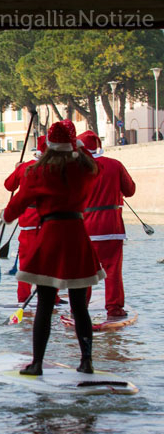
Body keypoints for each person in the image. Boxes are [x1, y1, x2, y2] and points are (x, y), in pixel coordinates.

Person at [1, 120, 104, 375]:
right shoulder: (86, 168)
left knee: (45, 304)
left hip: (50, 234)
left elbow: (20, 201)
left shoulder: (37, 172)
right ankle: (87, 361)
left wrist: (7, 214)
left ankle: (37, 363)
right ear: (73, 144)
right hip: (77, 233)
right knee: (79, 305)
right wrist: (77, 147)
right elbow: (90, 159)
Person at [78, 130, 136, 318]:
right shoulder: (115, 165)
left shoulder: (75, 168)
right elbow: (130, 190)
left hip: (84, 228)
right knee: (112, 271)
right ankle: (114, 309)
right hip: (112, 228)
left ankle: (78, 309)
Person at [4, 136, 47, 303]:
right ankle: (53, 297)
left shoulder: (25, 168)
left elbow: (9, 186)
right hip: (50, 222)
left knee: (26, 261)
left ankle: (23, 297)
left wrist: (17, 170)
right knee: (50, 262)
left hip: (29, 221)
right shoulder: (58, 167)